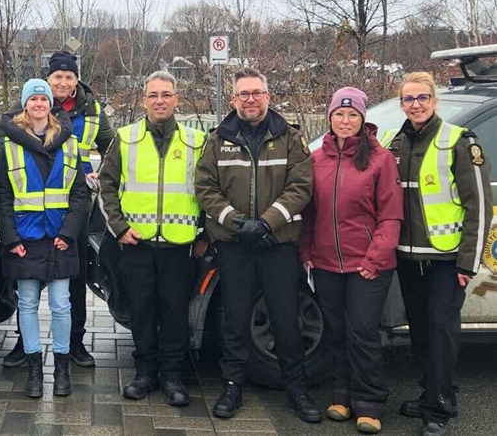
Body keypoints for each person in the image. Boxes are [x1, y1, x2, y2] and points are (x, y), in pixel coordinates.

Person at [195, 67, 321, 423]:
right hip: (235, 245)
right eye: (243, 94)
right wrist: (239, 224)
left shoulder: (291, 138)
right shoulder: (217, 139)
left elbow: (301, 187)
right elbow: (206, 188)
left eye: (256, 93)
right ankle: (233, 385)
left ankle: (296, 388)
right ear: (233, 99)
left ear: (268, 96)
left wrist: (267, 222)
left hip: (277, 244)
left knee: (285, 318)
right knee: (234, 318)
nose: (250, 99)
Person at [380, 72, 492, 436]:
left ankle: (439, 410)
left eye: (422, 97)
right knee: (422, 333)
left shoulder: (458, 141)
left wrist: (468, 263)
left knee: (442, 332)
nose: (416, 104)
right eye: (409, 99)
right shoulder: (396, 142)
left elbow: (479, 207)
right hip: (409, 259)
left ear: (434, 100)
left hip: (447, 260)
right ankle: (433, 392)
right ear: (401, 104)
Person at [0, 51, 114, 368]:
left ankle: (74, 343)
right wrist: (26, 156)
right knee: (28, 285)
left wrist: (101, 172)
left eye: (69, 76)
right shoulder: (32, 103)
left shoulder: (92, 110)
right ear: (48, 80)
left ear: (76, 80)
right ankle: (25, 344)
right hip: (30, 217)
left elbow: (112, 147)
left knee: (73, 280)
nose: (62, 82)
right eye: (57, 76)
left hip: (74, 208)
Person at [98, 71, 206, 407]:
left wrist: (205, 233)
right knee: (141, 311)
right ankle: (144, 373)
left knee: (175, 311)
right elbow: (106, 185)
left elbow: (210, 191)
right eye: (153, 95)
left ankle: (173, 376)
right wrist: (119, 227)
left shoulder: (196, 141)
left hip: (179, 244)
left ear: (177, 99)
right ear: (144, 100)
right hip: (137, 243)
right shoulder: (126, 137)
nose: (160, 100)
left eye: (166, 94)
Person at [299, 87, 402, 434]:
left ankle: (369, 402)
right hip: (327, 263)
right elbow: (309, 214)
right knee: (336, 331)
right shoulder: (317, 159)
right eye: (339, 115)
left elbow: (390, 217)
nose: (345, 121)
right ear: (330, 118)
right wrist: (307, 252)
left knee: (362, 332)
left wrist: (376, 258)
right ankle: (341, 395)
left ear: (362, 119)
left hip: (367, 265)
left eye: (352, 115)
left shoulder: (380, 159)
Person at [0, 79, 89, 398]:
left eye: (43, 99)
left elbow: (79, 195)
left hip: (61, 238)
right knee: (29, 303)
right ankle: (34, 367)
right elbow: (4, 197)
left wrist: (68, 233)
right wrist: (10, 239)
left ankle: (61, 366)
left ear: (50, 104)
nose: (38, 104)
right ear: (25, 104)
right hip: (25, 240)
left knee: (62, 304)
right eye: (32, 99)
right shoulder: (9, 145)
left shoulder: (70, 142)